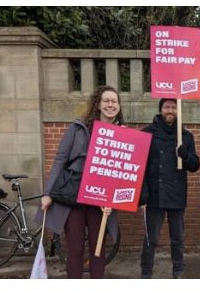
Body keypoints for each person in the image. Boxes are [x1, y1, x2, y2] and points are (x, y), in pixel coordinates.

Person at [39, 86, 122, 279]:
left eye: (114, 101)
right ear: (98, 104)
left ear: (119, 106)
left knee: (98, 247)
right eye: (106, 100)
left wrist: (114, 200)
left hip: (100, 199)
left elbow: (123, 173)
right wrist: (48, 193)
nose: (110, 104)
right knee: (75, 248)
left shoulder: (122, 133)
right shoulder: (78, 128)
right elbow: (60, 158)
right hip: (74, 195)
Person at [140, 98, 200, 279]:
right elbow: (138, 165)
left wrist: (186, 155)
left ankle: (178, 271)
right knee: (151, 239)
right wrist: (142, 192)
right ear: (160, 110)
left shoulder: (185, 136)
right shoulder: (148, 133)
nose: (170, 110)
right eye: (167, 107)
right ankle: (146, 273)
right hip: (154, 194)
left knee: (178, 238)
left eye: (174, 107)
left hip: (176, 194)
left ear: (178, 111)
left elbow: (195, 165)